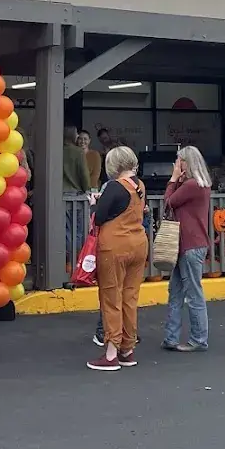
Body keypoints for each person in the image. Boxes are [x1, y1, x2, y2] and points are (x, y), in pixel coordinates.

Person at [88, 145, 148, 372]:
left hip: (114, 246)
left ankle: (111, 352)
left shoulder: (114, 186)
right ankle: (127, 349)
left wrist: (94, 204)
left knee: (111, 297)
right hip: (138, 243)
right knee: (130, 298)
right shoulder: (139, 185)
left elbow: (99, 217)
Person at [161, 145, 212, 352]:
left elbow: (169, 202)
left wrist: (173, 179)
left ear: (186, 163)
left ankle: (199, 339)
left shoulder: (192, 185)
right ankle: (171, 338)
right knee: (176, 291)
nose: (176, 164)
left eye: (179, 160)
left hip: (190, 245)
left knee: (192, 294)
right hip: (187, 244)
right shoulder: (197, 184)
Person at [62, 125, 91, 193]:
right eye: (76, 133)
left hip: (57, 190)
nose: (77, 135)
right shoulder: (78, 151)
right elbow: (84, 173)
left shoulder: (57, 149)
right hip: (74, 192)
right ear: (71, 135)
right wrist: (87, 190)